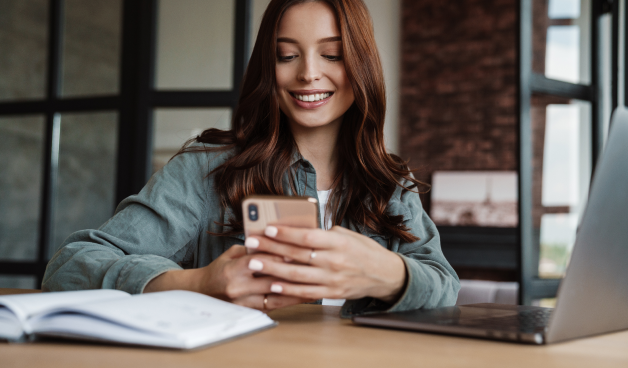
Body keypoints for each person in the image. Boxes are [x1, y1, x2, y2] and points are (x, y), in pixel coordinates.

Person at [42, 0, 459, 317]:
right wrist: (197, 282)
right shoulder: (206, 168)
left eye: (332, 54)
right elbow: (69, 267)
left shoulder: (389, 180)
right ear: (267, 66)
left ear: (362, 64)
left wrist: (387, 273)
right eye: (286, 55)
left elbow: (444, 285)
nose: (308, 73)